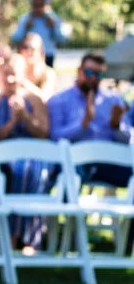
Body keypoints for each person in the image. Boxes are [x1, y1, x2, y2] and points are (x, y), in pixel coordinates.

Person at [0, 54, 51, 254]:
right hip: (8, 155)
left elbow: (43, 133)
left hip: (35, 154)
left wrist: (25, 117)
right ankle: (9, 236)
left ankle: (31, 238)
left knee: (33, 174)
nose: (10, 80)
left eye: (14, 75)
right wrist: (12, 122)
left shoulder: (34, 99)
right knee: (14, 172)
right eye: (6, 75)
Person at [48, 52, 131, 186]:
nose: (93, 78)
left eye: (99, 74)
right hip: (76, 163)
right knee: (69, 178)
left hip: (110, 163)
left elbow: (128, 139)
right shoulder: (59, 100)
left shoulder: (114, 100)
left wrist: (116, 126)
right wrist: (84, 123)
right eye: (88, 72)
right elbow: (54, 137)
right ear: (79, 71)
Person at [12, 0, 65, 67]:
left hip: (48, 55)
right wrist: (25, 28)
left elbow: (61, 39)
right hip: (29, 56)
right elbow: (15, 38)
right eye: (35, 5)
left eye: (41, 5)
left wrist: (53, 28)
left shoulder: (52, 19)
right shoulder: (26, 19)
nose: (38, 8)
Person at [17, 32, 56, 101]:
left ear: (41, 52)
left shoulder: (48, 73)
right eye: (25, 47)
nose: (29, 51)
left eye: (33, 48)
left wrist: (23, 81)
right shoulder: (17, 70)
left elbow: (45, 99)